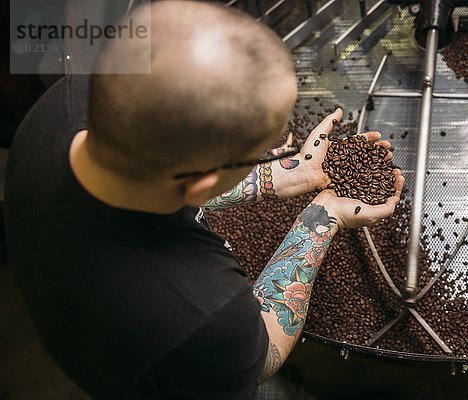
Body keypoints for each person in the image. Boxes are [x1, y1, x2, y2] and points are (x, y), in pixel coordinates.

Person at [4, 1, 404, 399]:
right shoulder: (200, 309)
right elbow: (263, 352)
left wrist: (287, 173)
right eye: (264, 150)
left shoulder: (62, 107)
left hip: (94, 336)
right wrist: (323, 215)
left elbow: (158, 180)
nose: (280, 151)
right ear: (199, 183)